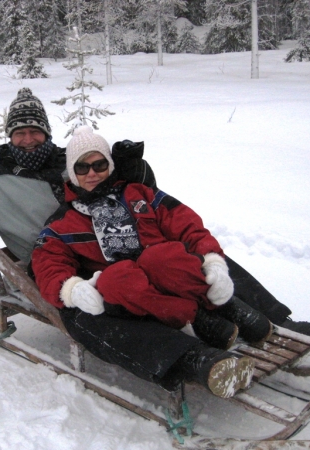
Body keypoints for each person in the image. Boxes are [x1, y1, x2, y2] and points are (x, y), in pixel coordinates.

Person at [0, 87, 310, 395]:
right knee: (83, 316)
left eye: (35, 130)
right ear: (8, 138)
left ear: (47, 136)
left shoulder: (71, 164)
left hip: (125, 245)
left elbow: (141, 198)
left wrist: (135, 172)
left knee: (196, 250)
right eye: (19, 132)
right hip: (63, 268)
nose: (28, 139)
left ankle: (282, 323)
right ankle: (191, 358)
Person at [31, 126, 279, 396]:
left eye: (99, 164)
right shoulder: (62, 222)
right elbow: (47, 263)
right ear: (72, 173)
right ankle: (198, 320)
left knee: (161, 256)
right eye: (82, 168)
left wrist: (214, 262)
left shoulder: (139, 194)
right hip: (134, 293)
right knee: (117, 277)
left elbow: (186, 224)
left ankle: (230, 309)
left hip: (172, 274)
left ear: (110, 165)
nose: (92, 173)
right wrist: (71, 288)